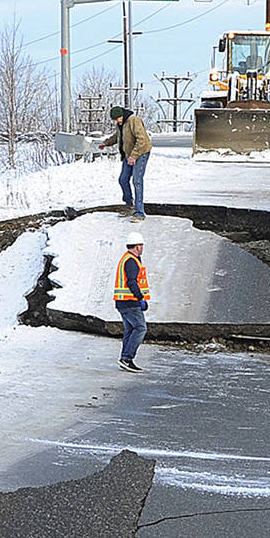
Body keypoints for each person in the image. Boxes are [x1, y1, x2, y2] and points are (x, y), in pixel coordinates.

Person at [96, 106, 152, 220]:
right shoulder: (120, 124)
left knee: (137, 181)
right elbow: (117, 136)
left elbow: (142, 140)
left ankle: (139, 212)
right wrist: (105, 143)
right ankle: (129, 205)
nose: (116, 122)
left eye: (117, 119)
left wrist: (134, 156)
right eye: (115, 120)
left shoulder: (134, 121)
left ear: (122, 115)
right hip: (129, 154)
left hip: (141, 153)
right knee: (123, 179)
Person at [112, 231, 150, 370]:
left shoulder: (127, 258)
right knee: (140, 328)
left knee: (130, 329)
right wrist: (140, 298)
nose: (142, 248)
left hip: (123, 302)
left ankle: (125, 358)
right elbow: (132, 282)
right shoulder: (131, 261)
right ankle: (127, 359)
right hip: (130, 302)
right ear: (138, 246)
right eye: (141, 245)